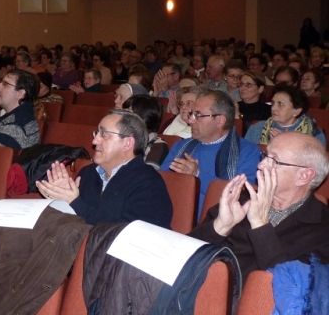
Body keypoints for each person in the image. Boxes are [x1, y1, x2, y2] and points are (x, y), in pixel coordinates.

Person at [191, 132, 329, 281]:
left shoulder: (322, 228)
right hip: (198, 289)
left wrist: (260, 225)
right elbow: (183, 254)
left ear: (304, 176)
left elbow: (291, 287)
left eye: (274, 160)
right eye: (265, 155)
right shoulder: (241, 200)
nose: (261, 165)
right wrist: (221, 226)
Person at [36, 110, 172, 228]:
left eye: (104, 134)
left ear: (127, 143)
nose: (94, 141)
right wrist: (59, 200)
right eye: (97, 133)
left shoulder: (149, 184)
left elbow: (128, 236)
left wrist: (75, 203)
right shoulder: (88, 173)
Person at [161, 90, 260, 217]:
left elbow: (241, 196)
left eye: (198, 115)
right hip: (173, 217)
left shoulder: (248, 152)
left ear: (220, 121)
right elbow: (161, 182)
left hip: (218, 226)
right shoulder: (181, 146)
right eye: (192, 114)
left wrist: (198, 175)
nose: (190, 120)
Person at [245, 85, 325, 147]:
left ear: (296, 111)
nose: (273, 108)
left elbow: (316, 165)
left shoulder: (314, 134)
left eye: (280, 104)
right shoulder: (257, 128)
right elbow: (245, 156)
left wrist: (286, 144)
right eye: (273, 103)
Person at [123, 95, 168, 169]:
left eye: (129, 114)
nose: (122, 117)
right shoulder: (119, 137)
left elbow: (147, 174)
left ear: (144, 119)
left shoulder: (158, 145)